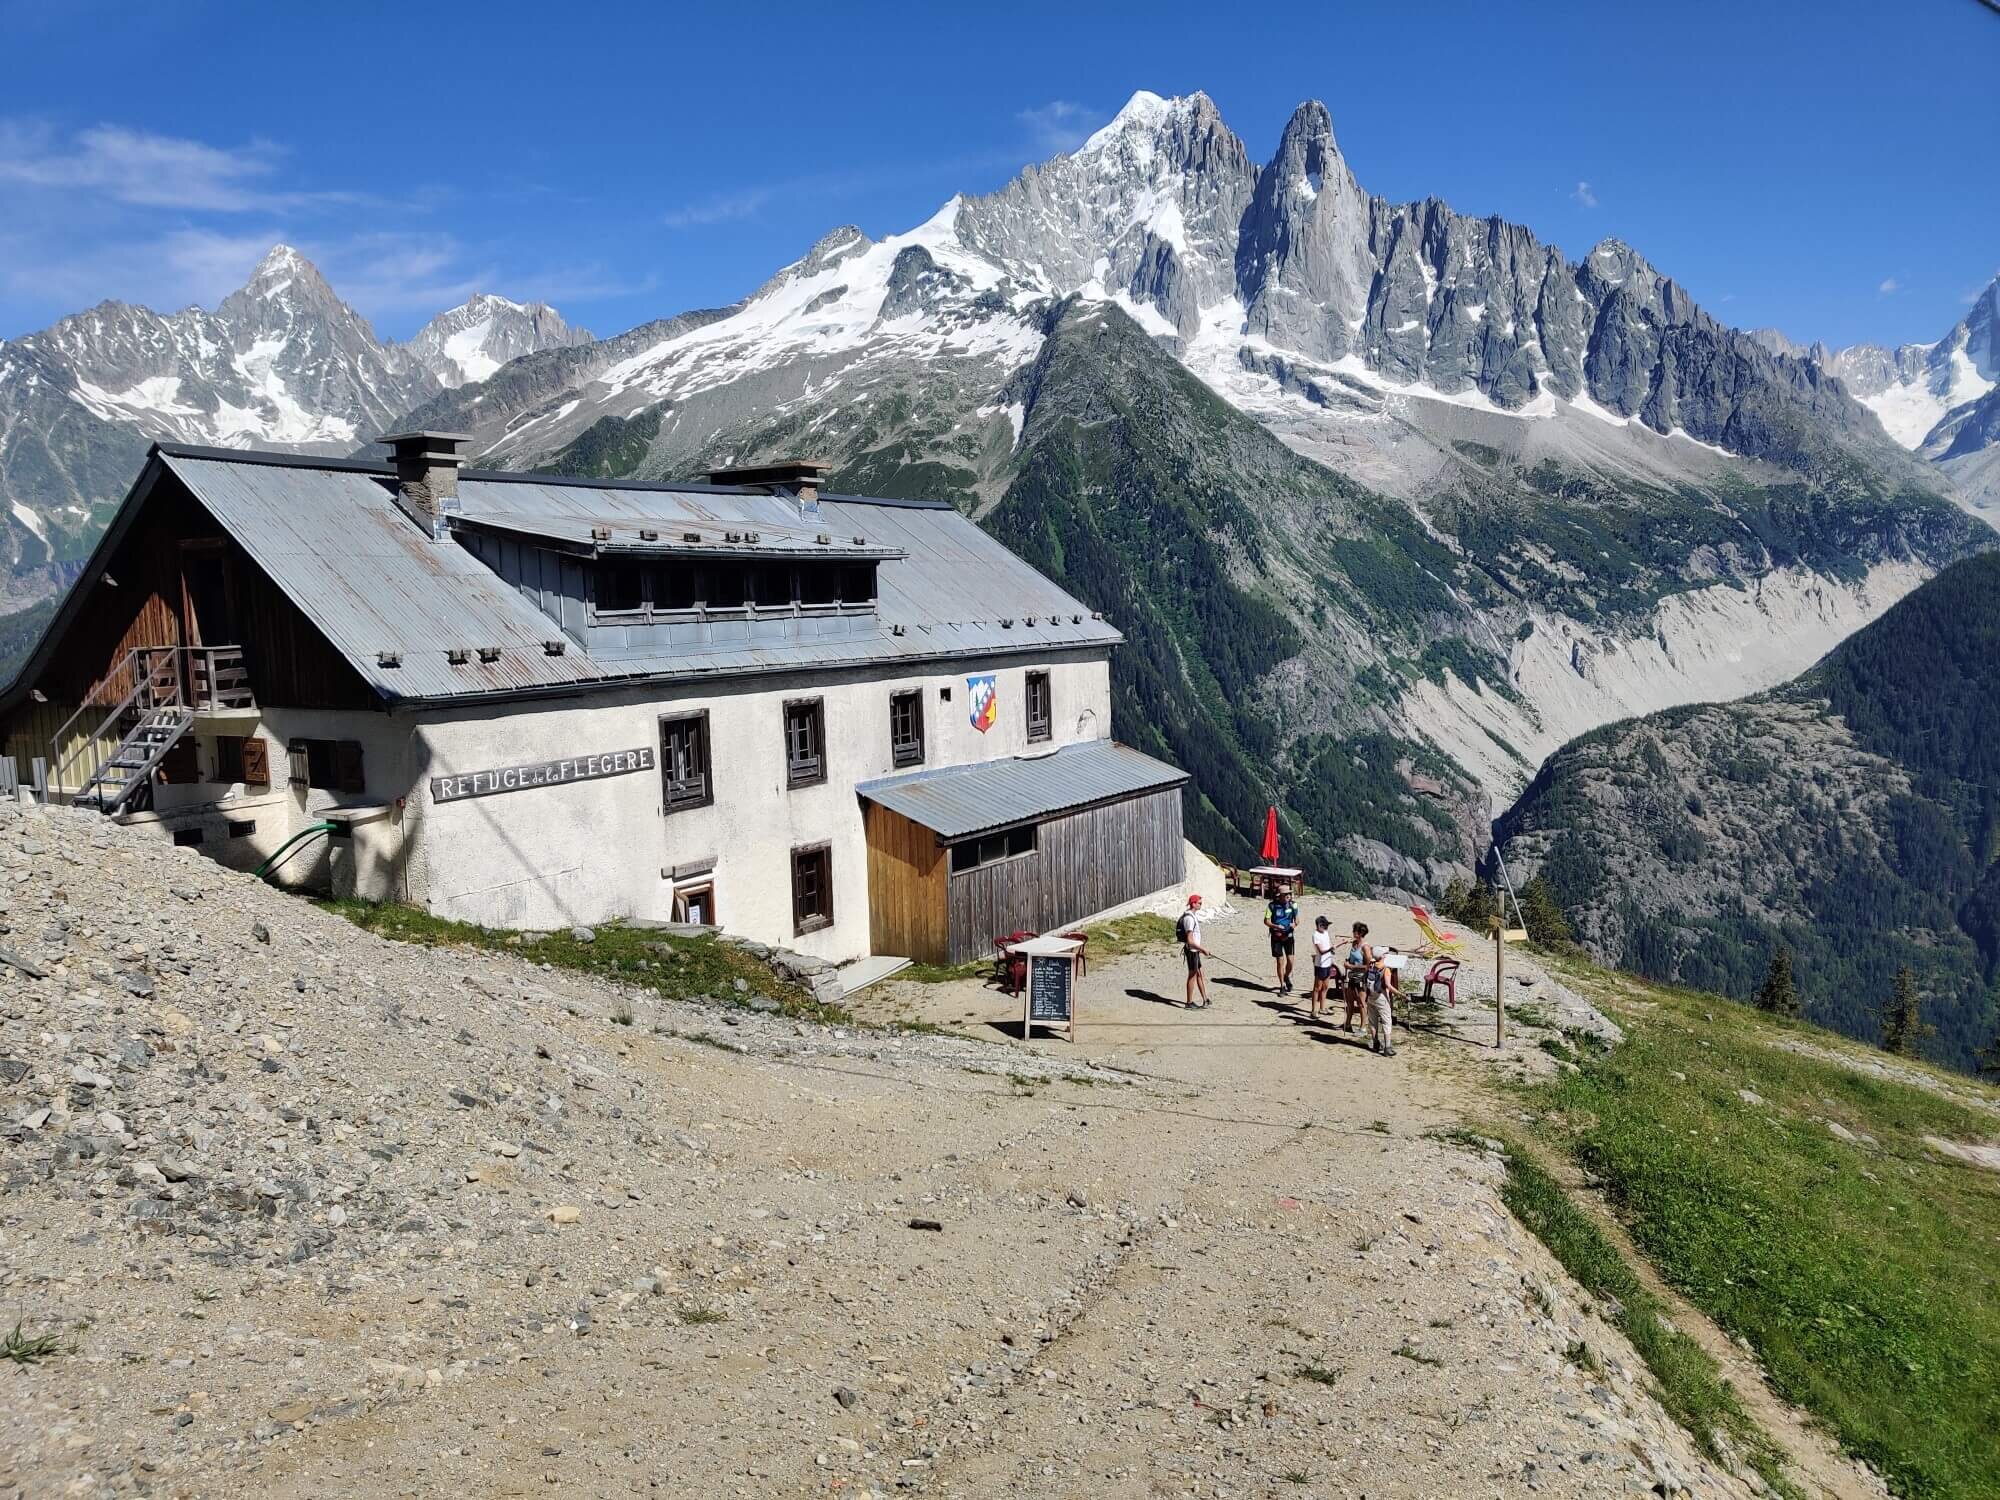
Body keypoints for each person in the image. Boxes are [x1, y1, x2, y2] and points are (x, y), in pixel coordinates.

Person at [1177, 893, 1211, 1009]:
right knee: (1192, 975)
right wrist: (1203, 950)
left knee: (1200, 974)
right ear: (1193, 904)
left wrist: (1200, 950)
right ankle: (1189, 1002)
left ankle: (1205, 999)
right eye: (1199, 903)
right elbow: (1190, 941)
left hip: (1195, 950)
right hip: (1192, 951)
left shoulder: (1192, 916)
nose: (1201, 905)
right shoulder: (1189, 919)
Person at [1265, 883, 1300, 995]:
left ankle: (1286, 976)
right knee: (1280, 962)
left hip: (1289, 936)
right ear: (1280, 895)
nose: (1288, 896)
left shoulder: (1293, 905)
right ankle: (1282, 986)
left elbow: (1297, 920)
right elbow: (1266, 921)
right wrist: (1275, 926)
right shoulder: (1272, 906)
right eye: (1286, 894)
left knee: (1291, 961)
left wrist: (1294, 925)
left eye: (1289, 894)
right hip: (1276, 937)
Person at [1342, 922, 1371, 1034]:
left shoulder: (1365, 947)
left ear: (1360, 933)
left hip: (1361, 978)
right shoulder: (1354, 944)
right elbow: (1352, 958)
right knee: (1349, 1002)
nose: (1353, 932)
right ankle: (1348, 1024)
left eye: (1355, 931)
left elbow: (1368, 966)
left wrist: (1351, 966)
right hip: (1352, 977)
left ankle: (1363, 1027)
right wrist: (1348, 962)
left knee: (1361, 1003)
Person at [1308, 915, 1335, 1018]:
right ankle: (1313, 1010)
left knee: (1325, 987)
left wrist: (1331, 953)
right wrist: (1331, 949)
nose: (1327, 927)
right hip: (1321, 964)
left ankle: (1322, 1008)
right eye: (1325, 925)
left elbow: (1328, 946)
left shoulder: (1326, 933)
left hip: (1328, 963)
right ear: (1319, 925)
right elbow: (1321, 951)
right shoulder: (1315, 935)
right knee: (1317, 988)